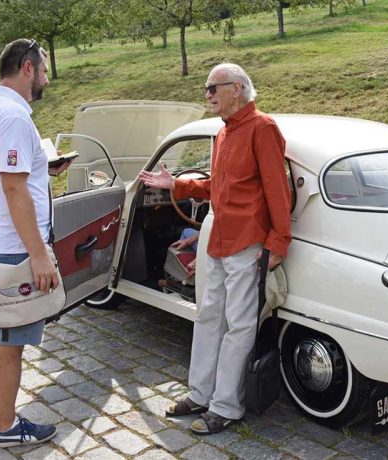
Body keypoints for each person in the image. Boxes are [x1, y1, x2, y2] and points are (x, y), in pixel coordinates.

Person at [138, 63, 292, 435]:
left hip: (247, 245)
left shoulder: (263, 128)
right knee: (208, 318)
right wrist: (175, 183)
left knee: (239, 326)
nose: (207, 95)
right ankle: (200, 394)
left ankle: (226, 406)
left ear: (236, 89)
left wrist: (277, 243)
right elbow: (216, 187)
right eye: (206, 89)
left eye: (213, 88)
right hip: (219, 242)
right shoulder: (223, 133)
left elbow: (278, 191)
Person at [0, 38, 65, 447]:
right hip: (14, 248)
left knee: (0, 326)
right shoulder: (12, 116)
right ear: (27, 68)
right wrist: (40, 255)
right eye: (42, 69)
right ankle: (6, 427)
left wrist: (45, 169)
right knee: (13, 342)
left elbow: (8, 178)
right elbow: (13, 190)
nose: (45, 77)